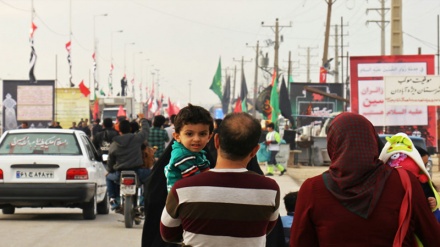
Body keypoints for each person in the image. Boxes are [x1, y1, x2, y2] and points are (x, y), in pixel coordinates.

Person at [290, 112, 440, 246]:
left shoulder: (312, 189)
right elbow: (433, 237)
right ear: (373, 141)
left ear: (333, 144)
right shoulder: (404, 182)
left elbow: (300, 241)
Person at [160, 112, 280, 247]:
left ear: (216, 141)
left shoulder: (183, 188)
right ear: (255, 150)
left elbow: (168, 234)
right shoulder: (270, 189)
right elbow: (266, 229)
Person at [379, 134, 440, 223]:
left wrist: (432, 202)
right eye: (422, 163)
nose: (424, 167)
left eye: (426, 164)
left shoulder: (423, 182)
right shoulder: (385, 183)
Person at [164, 104, 213, 192]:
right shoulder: (182, 155)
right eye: (189, 134)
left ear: (209, 137)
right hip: (182, 200)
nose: (197, 139)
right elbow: (197, 182)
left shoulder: (198, 153)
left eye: (202, 134)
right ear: (177, 136)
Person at [106, 118, 151, 210]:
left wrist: (109, 170)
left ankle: (113, 199)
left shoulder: (114, 144)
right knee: (150, 177)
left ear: (119, 130)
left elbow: (110, 160)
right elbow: (146, 130)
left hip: (119, 173)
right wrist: (142, 120)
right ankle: (144, 199)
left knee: (108, 178)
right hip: (137, 171)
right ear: (130, 129)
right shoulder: (137, 138)